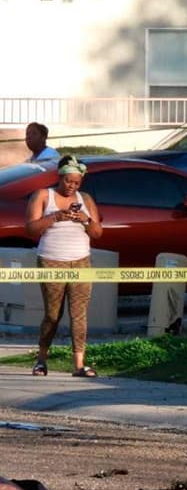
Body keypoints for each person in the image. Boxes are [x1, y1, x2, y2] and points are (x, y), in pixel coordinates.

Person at [25, 155, 101, 378]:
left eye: (77, 183)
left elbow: (97, 232)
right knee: (52, 315)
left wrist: (85, 220)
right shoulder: (42, 195)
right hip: (51, 259)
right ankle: (41, 360)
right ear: (60, 177)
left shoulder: (84, 199)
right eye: (68, 181)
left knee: (79, 314)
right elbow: (31, 229)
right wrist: (56, 216)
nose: (72, 187)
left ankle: (79, 364)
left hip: (80, 261)